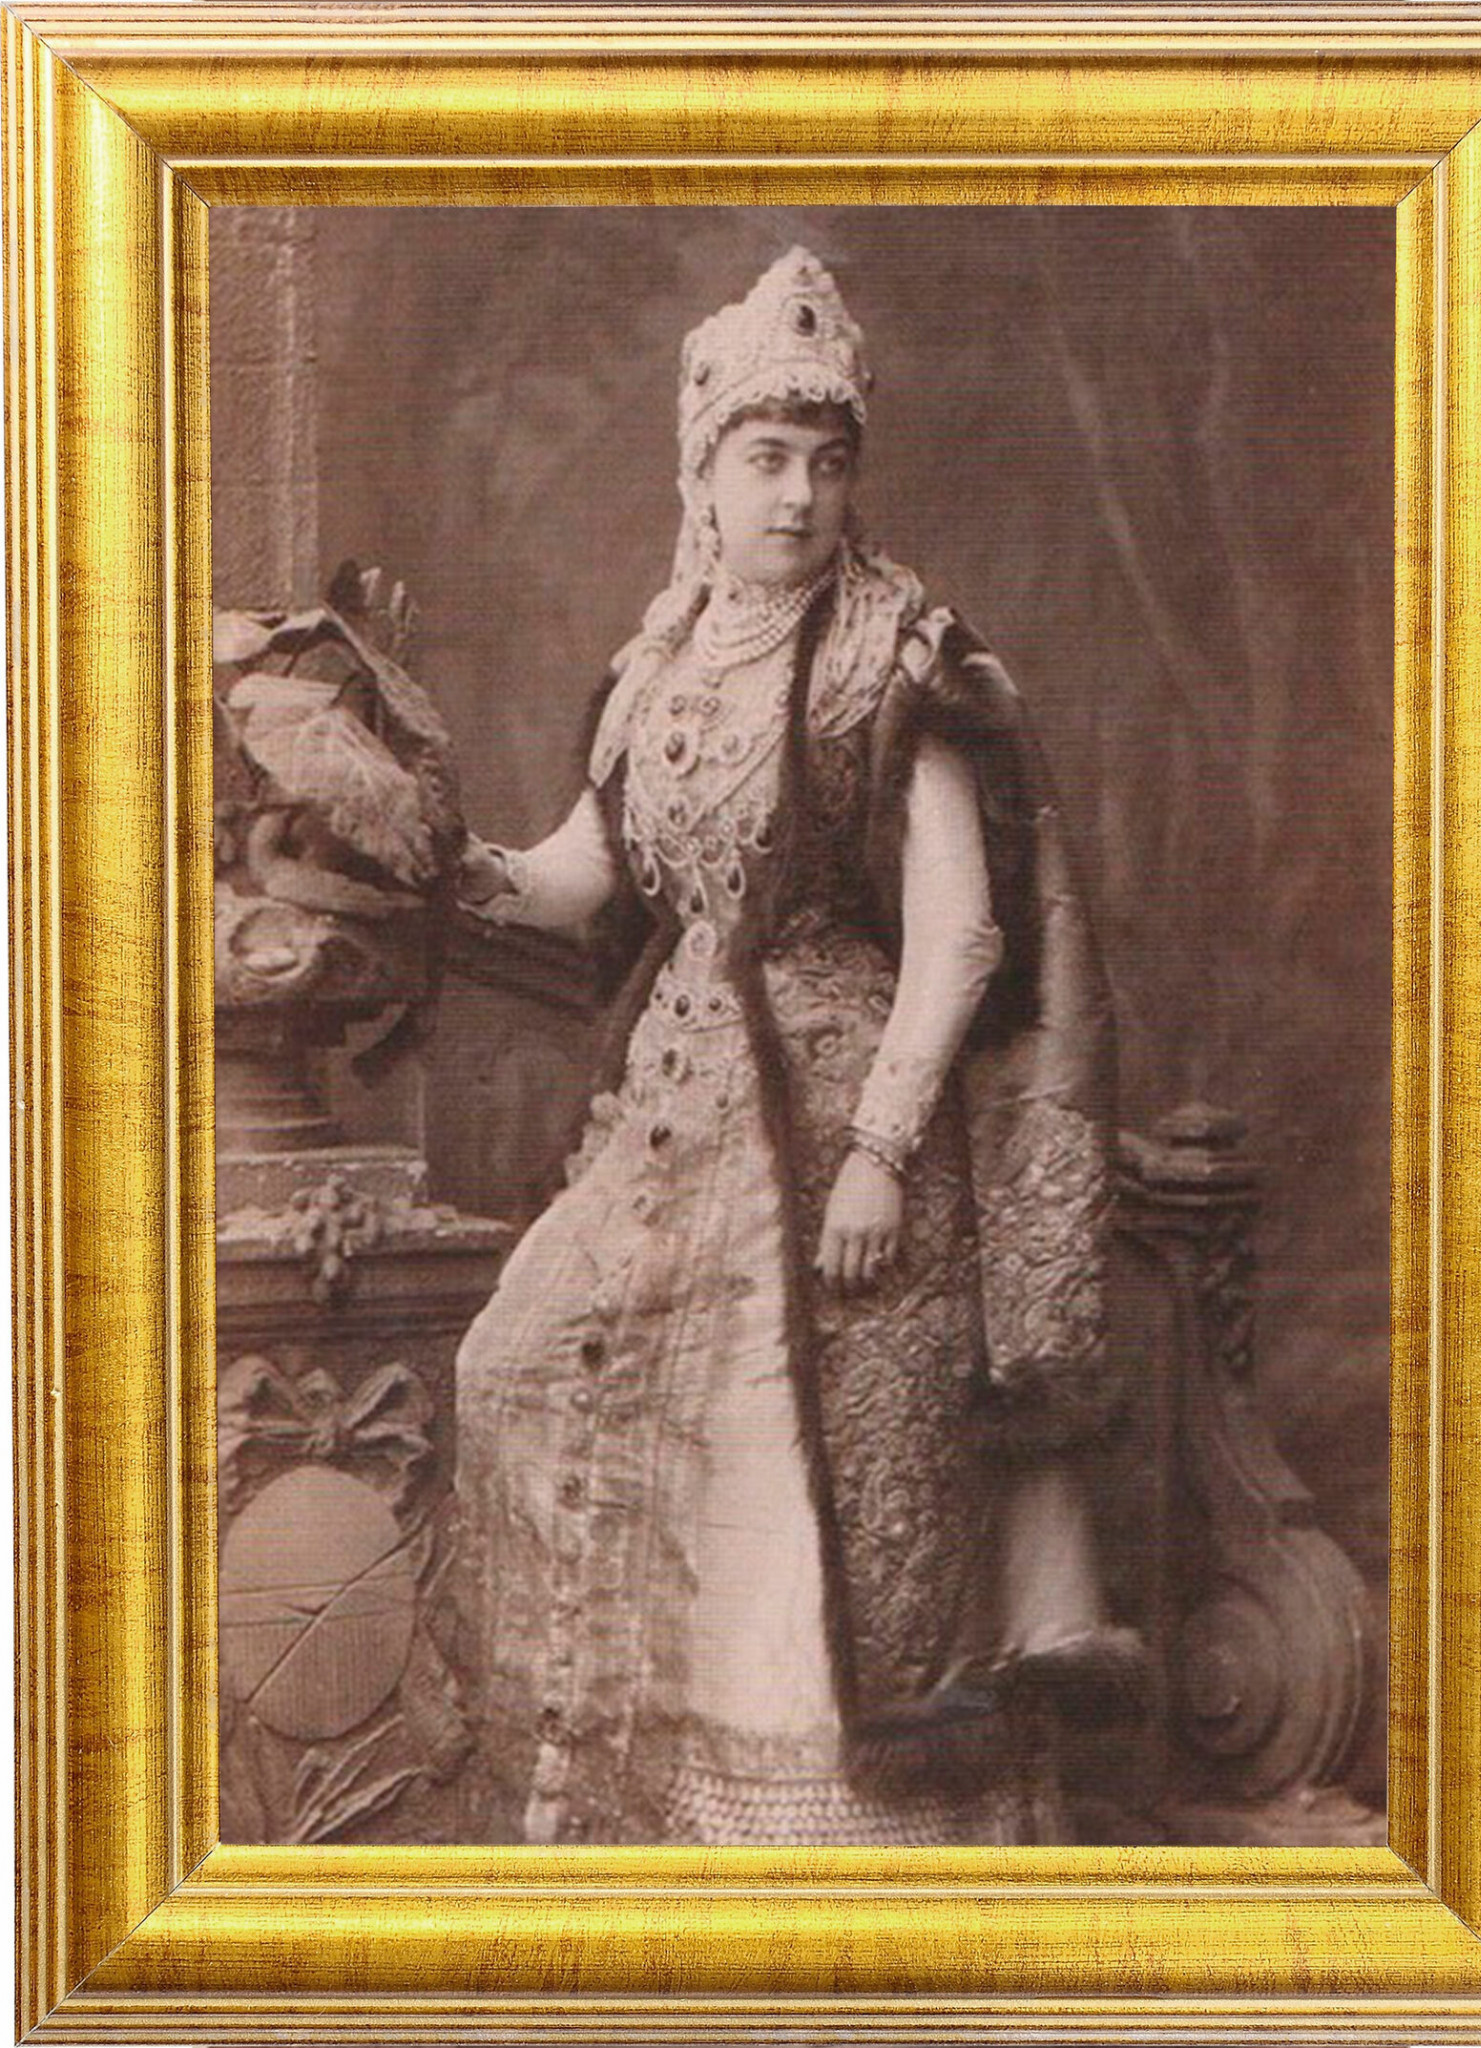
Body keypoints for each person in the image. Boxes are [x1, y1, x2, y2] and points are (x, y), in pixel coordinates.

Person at [452, 246, 1124, 1847]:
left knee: (806, 1499)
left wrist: (882, 1153)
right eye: (766, 458)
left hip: (846, 1135)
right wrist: (437, 845)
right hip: (670, 1126)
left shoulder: (896, 654)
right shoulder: (660, 666)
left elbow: (961, 936)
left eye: (827, 461)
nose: (801, 494)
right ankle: (670, 1826)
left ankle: (842, 1863)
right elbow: (583, 876)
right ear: (702, 473)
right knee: (518, 1375)